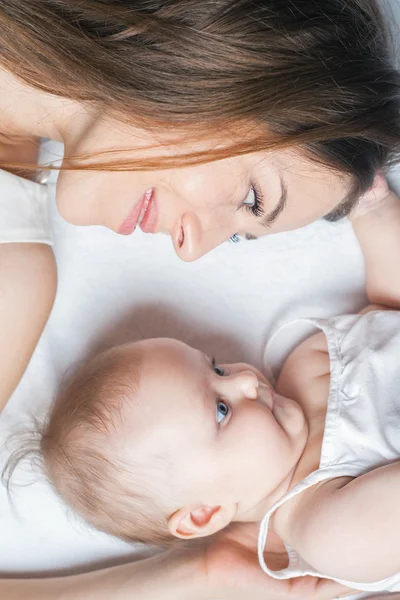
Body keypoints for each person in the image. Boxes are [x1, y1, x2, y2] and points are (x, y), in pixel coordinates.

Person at [0, 142, 350, 600]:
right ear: (203, 514)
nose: (247, 378)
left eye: (218, 368)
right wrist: (201, 574)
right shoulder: (322, 527)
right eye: (221, 409)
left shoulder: (313, 364)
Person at [1, 1, 400, 261]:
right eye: (251, 199)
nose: (189, 251)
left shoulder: (14, 265)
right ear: (226, 65)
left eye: (235, 237)